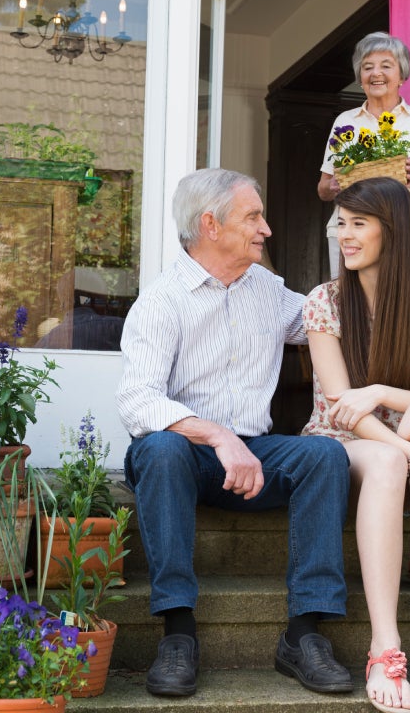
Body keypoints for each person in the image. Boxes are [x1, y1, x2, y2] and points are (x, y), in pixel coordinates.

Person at [117, 168, 354, 698]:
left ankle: (304, 634)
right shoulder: (162, 301)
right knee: (158, 446)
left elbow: (331, 319)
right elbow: (137, 401)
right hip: (187, 459)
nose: (266, 229)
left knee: (325, 458)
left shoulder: (268, 292)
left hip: (256, 456)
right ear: (211, 225)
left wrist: (401, 273)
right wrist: (221, 438)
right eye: (253, 217)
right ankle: (178, 634)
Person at [302, 177, 410, 713]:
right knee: (388, 462)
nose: (344, 236)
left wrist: (379, 391)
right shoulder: (324, 302)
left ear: (391, 232)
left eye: (358, 224)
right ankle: (384, 645)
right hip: (341, 444)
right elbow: (337, 405)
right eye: (340, 224)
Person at [318, 32, 410, 297]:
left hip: (409, 229)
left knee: (408, 302)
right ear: (360, 78)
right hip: (350, 230)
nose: (376, 73)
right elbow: (323, 189)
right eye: (367, 67)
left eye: (386, 65)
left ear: (402, 76)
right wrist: (334, 185)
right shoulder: (345, 121)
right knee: (349, 306)